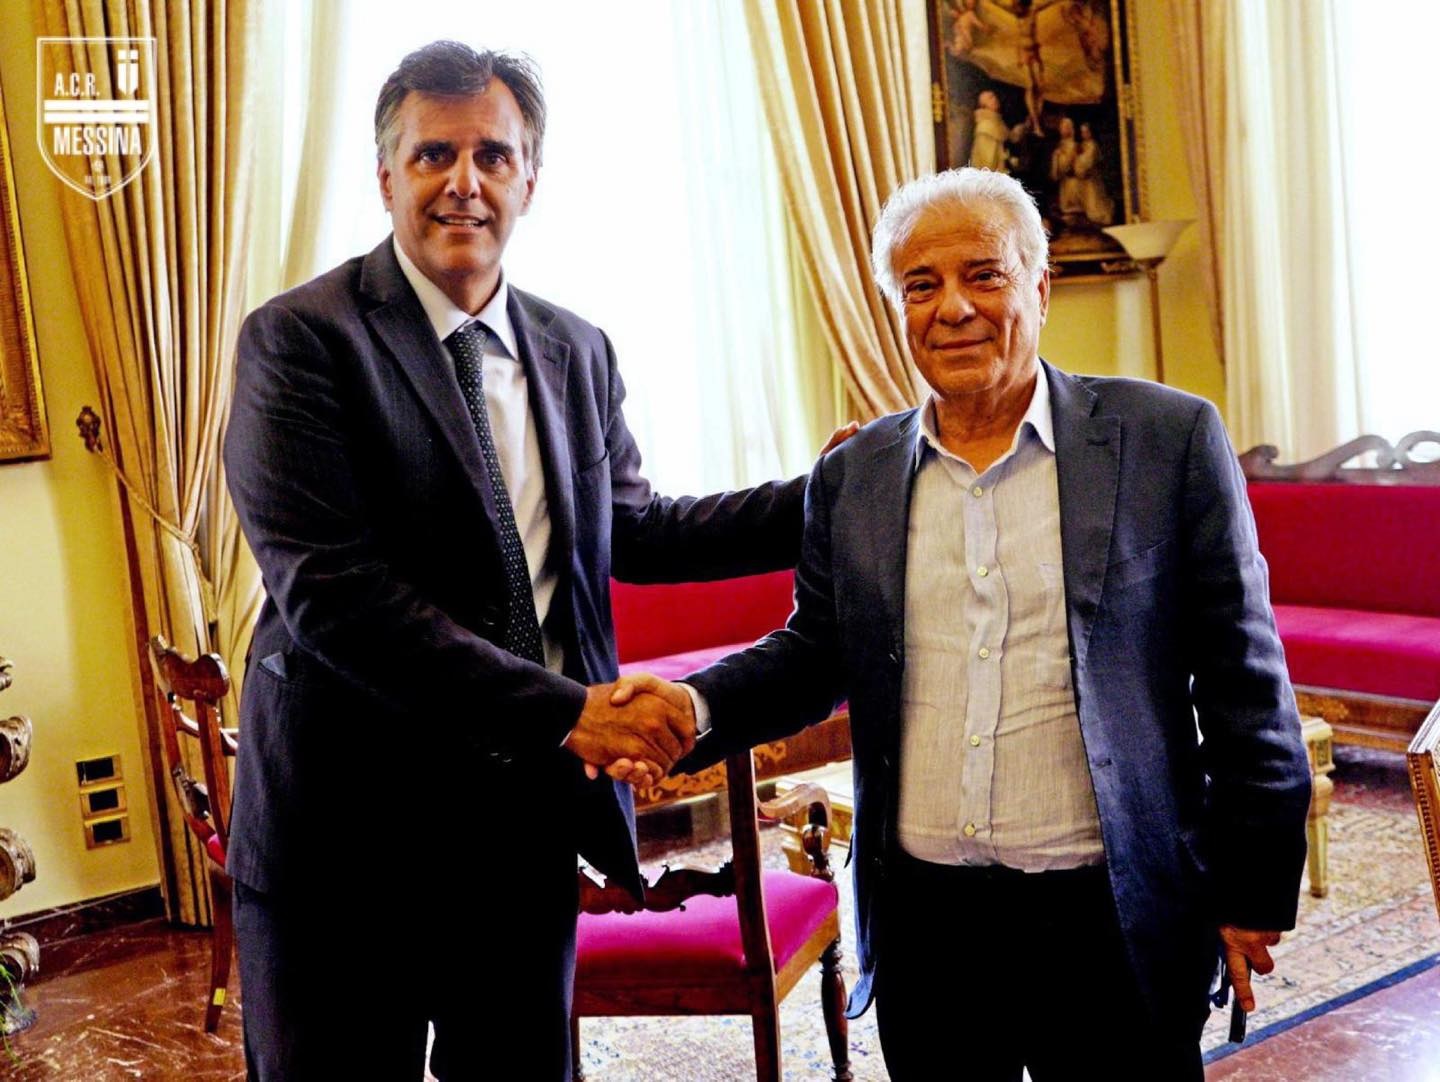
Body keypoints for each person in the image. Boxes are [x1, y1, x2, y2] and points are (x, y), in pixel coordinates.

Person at [223, 40, 851, 1081]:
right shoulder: (299, 341)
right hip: (345, 835)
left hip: (520, 827)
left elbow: (637, 530)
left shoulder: (576, 349)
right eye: (432, 154)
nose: (463, 181)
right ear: (386, 177)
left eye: (492, 154)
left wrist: (833, 493)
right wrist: (571, 711)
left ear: (530, 177)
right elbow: (336, 598)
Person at [616, 167, 1312, 1080]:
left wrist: (1252, 890)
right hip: (927, 929)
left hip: (1112, 913)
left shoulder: (1165, 439)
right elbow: (814, 653)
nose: (952, 308)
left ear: (1040, 287)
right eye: (921, 285)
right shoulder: (854, 475)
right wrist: (690, 709)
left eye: (984, 275)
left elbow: (1243, 680)